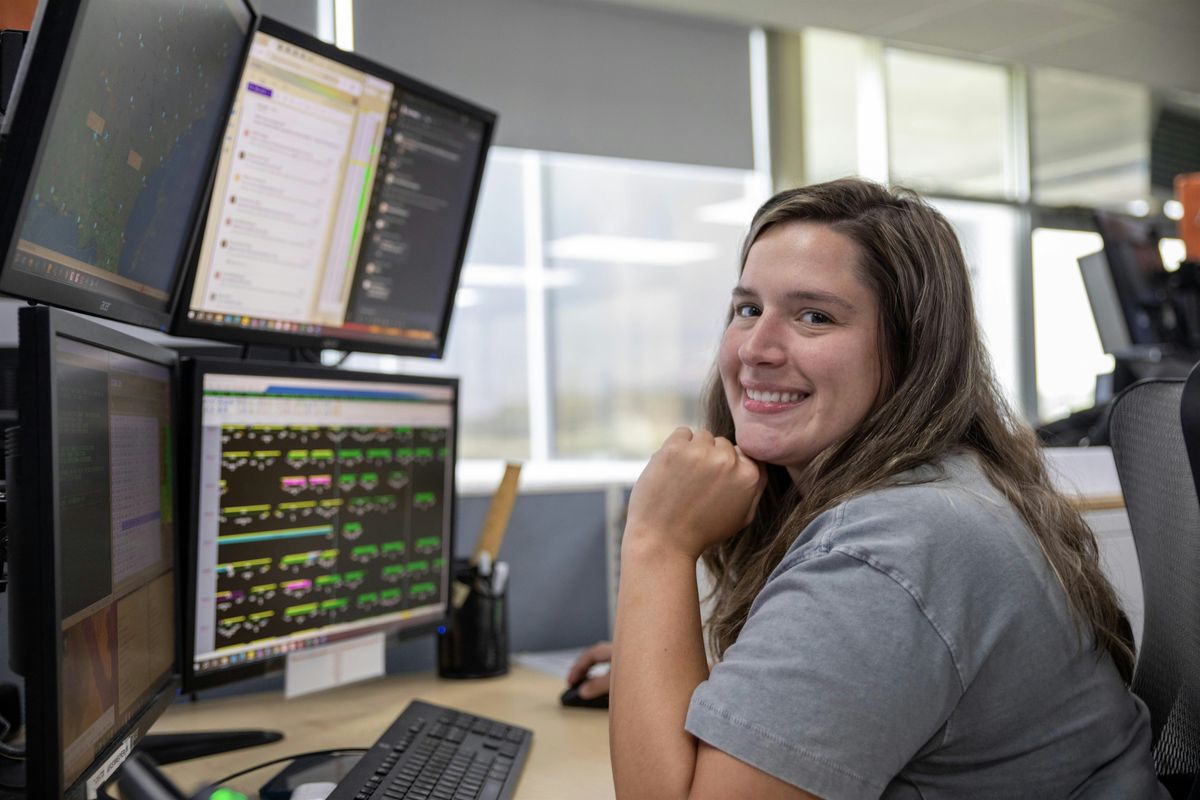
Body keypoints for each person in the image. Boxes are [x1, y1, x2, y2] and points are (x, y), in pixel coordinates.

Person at [585, 178, 1165, 799]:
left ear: (911, 350)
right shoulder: (940, 494)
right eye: (748, 309)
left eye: (815, 316)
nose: (755, 348)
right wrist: (664, 672)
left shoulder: (893, 547)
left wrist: (656, 543)